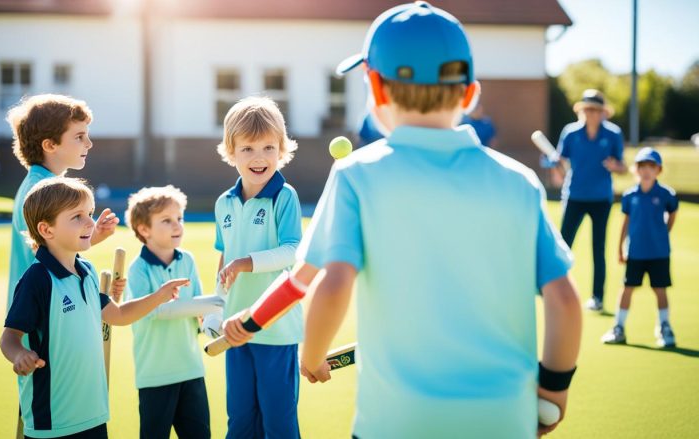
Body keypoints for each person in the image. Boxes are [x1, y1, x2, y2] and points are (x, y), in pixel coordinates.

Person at [223, 3, 582, 437]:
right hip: (501, 420)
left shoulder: (356, 175)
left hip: (393, 421)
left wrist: (307, 353)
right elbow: (563, 300)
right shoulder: (520, 182)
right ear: (470, 93)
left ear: (374, 88)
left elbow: (318, 283)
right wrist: (553, 392)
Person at [0, 177, 190, 439]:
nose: (90, 222)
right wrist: (19, 355)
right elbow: (9, 337)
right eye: (77, 216)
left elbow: (119, 315)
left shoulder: (87, 271)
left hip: (93, 413)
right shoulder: (37, 279)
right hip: (53, 420)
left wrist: (159, 295)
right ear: (46, 230)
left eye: (90, 213)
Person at [214, 95, 303, 438]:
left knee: (278, 425)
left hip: (276, 329)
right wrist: (213, 311)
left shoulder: (285, 196)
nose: (259, 158)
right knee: (239, 422)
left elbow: (293, 251)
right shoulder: (224, 203)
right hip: (235, 330)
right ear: (231, 151)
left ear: (281, 150)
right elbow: (224, 261)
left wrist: (246, 263)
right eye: (248, 148)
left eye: (268, 147)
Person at [124, 185, 224, 439]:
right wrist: (216, 302)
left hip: (191, 370)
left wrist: (213, 323)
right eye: (166, 221)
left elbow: (200, 310)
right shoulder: (138, 269)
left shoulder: (187, 260)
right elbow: (153, 311)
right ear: (144, 229)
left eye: (179, 218)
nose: (177, 225)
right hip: (155, 375)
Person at [5, 94, 118, 313]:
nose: (89, 143)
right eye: (79, 136)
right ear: (50, 145)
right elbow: (53, 255)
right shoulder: (43, 191)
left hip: (46, 306)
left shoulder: (39, 184)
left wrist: (96, 235)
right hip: (44, 313)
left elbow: (56, 246)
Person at [549, 89, 627, 311]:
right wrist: (554, 167)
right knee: (563, 245)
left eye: (595, 109)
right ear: (581, 111)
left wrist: (615, 166)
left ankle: (597, 297)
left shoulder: (613, 134)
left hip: (601, 198)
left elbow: (622, 166)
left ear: (603, 113)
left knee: (598, 248)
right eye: (587, 109)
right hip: (575, 196)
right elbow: (560, 163)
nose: (590, 113)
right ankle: (554, 291)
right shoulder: (570, 133)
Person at [601, 147, 678, 347]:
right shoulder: (629, 196)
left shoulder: (665, 194)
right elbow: (625, 223)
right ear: (636, 169)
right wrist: (620, 248)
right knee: (627, 288)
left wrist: (664, 232)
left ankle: (664, 327)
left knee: (660, 289)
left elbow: (673, 213)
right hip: (635, 252)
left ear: (658, 170)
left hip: (659, 253)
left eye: (651, 166)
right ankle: (619, 328)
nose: (646, 170)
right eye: (642, 166)